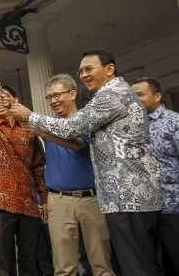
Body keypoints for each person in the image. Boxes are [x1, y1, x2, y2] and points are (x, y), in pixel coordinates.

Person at [8, 49, 162, 276]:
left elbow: (73, 129)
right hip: (122, 196)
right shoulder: (111, 95)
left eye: (89, 69)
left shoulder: (112, 95)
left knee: (134, 265)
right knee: (136, 262)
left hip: (128, 194)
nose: (83, 75)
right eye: (80, 71)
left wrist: (30, 116)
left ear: (109, 69)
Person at [32, 74, 114, 275]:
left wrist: (44, 132)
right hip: (58, 200)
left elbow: (78, 144)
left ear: (73, 93)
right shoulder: (49, 123)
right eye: (49, 97)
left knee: (101, 263)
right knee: (63, 266)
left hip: (91, 199)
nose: (53, 100)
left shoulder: (87, 120)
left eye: (57, 95)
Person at [0, 76, 47, 276]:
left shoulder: (30, 130)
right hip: (0, 202)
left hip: (28, 203)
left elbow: (38, 166)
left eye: (3, 97)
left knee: (29, 258)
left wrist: (44, 198)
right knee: (1, 260)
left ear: (15, 101)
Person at [132, 77, 179, 275]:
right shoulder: (132, 127)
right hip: (145, 210)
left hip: (173, 206)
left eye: (140, 95)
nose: (135, 100)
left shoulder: (173, 121)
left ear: (158, 96)